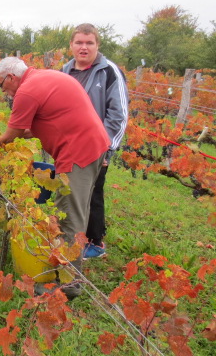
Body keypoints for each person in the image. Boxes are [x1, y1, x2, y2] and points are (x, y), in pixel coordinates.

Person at [0, 57, 110, 297]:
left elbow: (11, 135)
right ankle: (72, 270)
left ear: (11, 77)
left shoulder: (27, 91)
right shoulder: (46, 77)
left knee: (69, 216)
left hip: (77, 153)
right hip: (94, 146)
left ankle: (69, 284)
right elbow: (44, 123)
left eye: (2, 85)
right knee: (80, 210)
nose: (3, 91)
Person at [61, 23, 129, 259]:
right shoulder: (65, 71)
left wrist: (107, 150)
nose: (83, 47)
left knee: (93, 192)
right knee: (71, 191)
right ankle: (72, 236)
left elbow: (118, 115)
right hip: (69, 146)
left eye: (89, 43)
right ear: (71, 45)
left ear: (97, 45)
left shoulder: (109, 71)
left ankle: (95, 242)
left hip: (97, 148)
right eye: (79, 42)